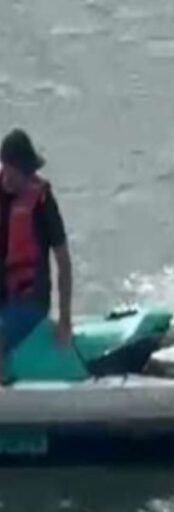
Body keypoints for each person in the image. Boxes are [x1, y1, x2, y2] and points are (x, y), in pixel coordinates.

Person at [0, 129, 73, 384]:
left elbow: (63, 263)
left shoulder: (42, 202)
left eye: (14, 173)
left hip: (30, 301)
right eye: (5, 170)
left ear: (27, 171)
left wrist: (65, 321)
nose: (8, 178)